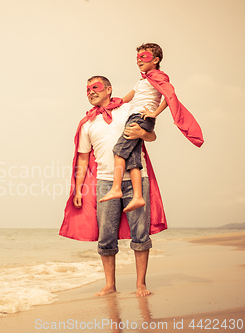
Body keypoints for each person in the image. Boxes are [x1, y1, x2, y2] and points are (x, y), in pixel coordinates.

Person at [59, 75, 168, 297]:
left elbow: (151, 136)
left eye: (96, 87)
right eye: (87, 89)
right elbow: (82, 158)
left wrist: (143, 133)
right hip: (105, 183)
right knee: (106, 235)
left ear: (109, 89)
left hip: (137, 180)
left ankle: (140, 285)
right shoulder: (87, 123)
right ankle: (110, 285)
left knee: (140, 233)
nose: (91, 91)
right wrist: (78, 188)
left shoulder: (128, 109)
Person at [99, 43, 204, 212]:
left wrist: (155, 113)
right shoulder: (142, 80)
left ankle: (116, 188)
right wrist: (112, 105)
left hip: (141, 118)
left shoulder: (159, 76)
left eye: (144, 57)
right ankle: (138, 197)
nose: (139, 60)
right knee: (133, 160)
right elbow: (126, 98)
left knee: (118, 151)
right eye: (137, 58)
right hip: (134, 117)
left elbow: (170, 96)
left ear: (155, 60)